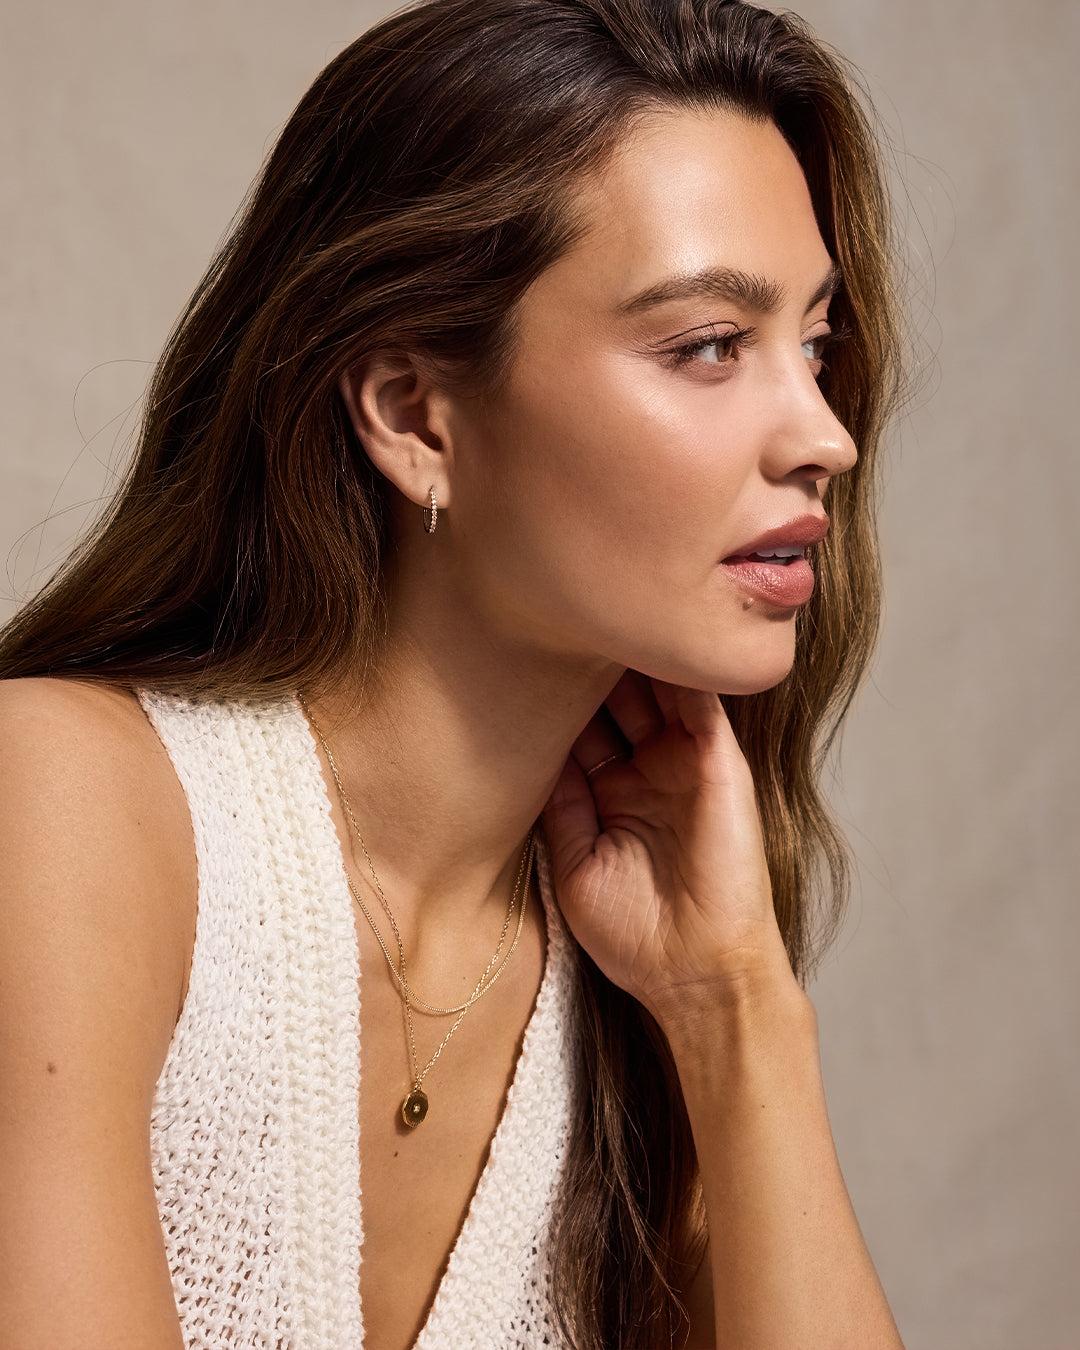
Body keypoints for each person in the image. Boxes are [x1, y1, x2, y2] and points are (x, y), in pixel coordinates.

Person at [0, 0, 907, 1346]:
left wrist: (737, 1010)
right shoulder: (66, 801)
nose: (825, 434)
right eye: (711, 344)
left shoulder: (642, 996)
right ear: (413, 414)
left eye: (815, 345)